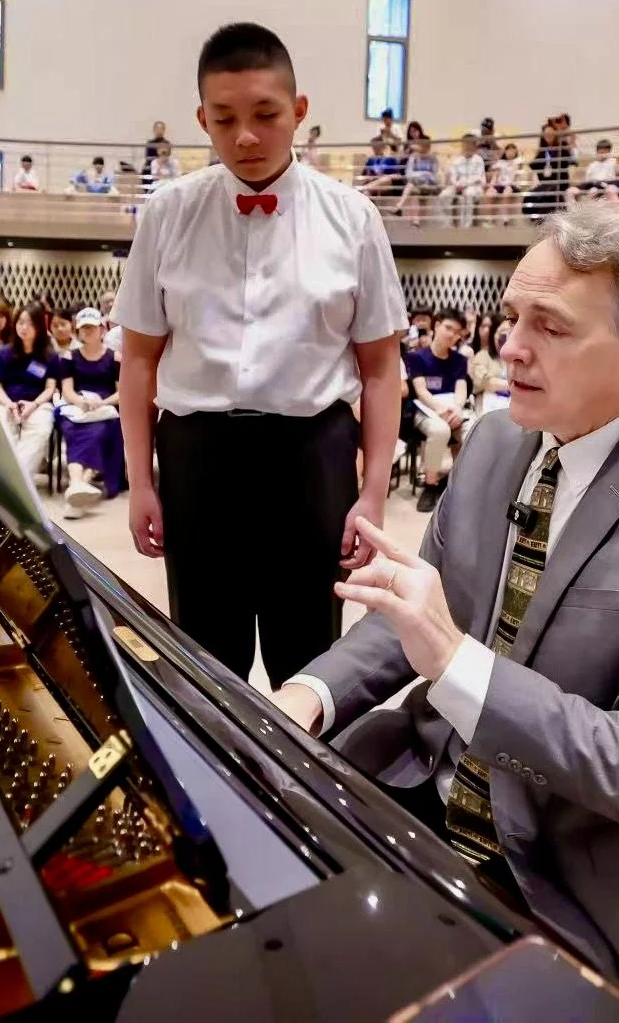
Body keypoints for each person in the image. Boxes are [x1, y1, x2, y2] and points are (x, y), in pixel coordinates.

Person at [269, 204, 619, 1023]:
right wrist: (307, 695)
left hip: (570, 874)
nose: (508, 346)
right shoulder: (492, 444)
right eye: (512, 316)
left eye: (548, 325)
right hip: (422, 790)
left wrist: (455, 662)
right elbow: (418, 613)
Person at [114, 22, 406, 685]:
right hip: (196, 455)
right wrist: (140, 480)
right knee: (202, 658)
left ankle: (302, 786)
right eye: (224, 119)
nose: (244, 135)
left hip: (311, 457)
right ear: (202, 119)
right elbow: (137, 360)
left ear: (298, 112)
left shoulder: (353, 217)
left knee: (307, 657)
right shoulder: (166, 213)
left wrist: (373, 492)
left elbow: (380, 368)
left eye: (264, 115)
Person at [57, 307, 126, 518]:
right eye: (83, 328)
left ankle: (79, 485)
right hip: (77, 407)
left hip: (105, 408)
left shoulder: (115, 357)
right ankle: (79, 484)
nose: (87, 332)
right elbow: (67, 390)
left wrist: (102, 403)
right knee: (73, 429)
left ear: (101, 329)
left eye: (91, 328)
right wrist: (81, 402)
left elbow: (121, 392)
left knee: (99, 431)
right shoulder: (70, 356)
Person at [406, 308, 471, 511]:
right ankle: (430, 485)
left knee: (471, 429)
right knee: (440, 430)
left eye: (457, 331)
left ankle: (458, 483)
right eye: (448, 328)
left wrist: (458, 409)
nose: (452, 335)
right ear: (436, 326)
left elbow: (461, 389)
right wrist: (440, 409)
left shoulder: (459, 360)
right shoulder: (417, 357)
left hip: (452, 409)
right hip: (425, 410)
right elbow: (420, 390)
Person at [0, 302, 61, 479]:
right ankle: (5, 478)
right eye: (20, 322)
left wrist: (33, 405)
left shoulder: (50, 355)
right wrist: (8, 404)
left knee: (41, 429)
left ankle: (18, 480)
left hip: (38, 404)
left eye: (30, 323)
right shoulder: (4, 353)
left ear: (39, 327)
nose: (24, 328)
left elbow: (50, 388)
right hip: (5, 402)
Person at [524, 121, 574, 222]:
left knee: (550, 193)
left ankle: (546, 218)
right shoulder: (543, 151)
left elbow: (568, 161)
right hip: (545, 184)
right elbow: (534, 166)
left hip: (558, 182)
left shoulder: (562, 147)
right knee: (530, 196)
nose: (548, 136)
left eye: (551, 133)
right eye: (546, 134)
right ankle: (536, 218)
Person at [469, 316, 511, 416]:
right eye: (501, 331)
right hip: (487, 406)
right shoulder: (483, 356)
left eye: (509, 332)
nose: (504, 336)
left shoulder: (519, 359)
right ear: (494, 334)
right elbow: (485, 382)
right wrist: (514, 385)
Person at [396, 138, 441, 227]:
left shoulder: (433, 159)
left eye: (425, 147)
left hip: (429, 186)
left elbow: (435, 178)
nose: (421, 149)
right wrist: (424, 173)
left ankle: (399, 206)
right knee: (413, 189)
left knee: (411, 185)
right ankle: (416, 222)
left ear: (428, 148)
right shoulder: (413, 157)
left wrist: (421, 176)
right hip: (417, 185)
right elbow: (409, 174)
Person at [445, 134, 487, 228]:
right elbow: (453, 176)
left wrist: (464, 184)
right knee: (444, 195)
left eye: (469, 144)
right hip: (458, 186)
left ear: (474, 145)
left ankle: (466, 227)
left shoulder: (478, 160)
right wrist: (456, 184)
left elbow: (478, 178)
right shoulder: (457, 160)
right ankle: (449, 224)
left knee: (468, 193)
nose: (466, 146)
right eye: (464, 144)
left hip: (475, 187)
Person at [568, 138, 618, 205]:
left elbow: (613, 178)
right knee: (570, 191)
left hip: (605, 184)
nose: (602, 154)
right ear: (597, 151)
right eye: (600, 152)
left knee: (593, 191)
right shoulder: (592, 165)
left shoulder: (613, 162)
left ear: (609, 151)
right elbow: (587, 180)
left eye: (605, 151)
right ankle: (573, 211)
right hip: (590, 184)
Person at [485, 141, 524, 225]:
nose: (510, 153)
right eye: (508, 151)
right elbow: (492, 169)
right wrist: (492, 184)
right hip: (500, 184)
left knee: (507, 191)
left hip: (512, 185)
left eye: (512, 151)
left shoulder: (517, 161)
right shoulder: (501, 162)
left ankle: (505, 219)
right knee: (489, 193)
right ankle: (489, 218)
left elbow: (518, 169)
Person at [358, 135, 403, 201]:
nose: (374, 149)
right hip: (374, 186)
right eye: (373, 147)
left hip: (387, 185)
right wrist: (369, 178)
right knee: (366, 193)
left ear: (382, 146)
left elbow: (398, 176)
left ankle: (361, 190)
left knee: (385, 179)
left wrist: (384, 176)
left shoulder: (390, 159)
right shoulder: (371, 160)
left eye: (376, 147)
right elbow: (363, 176)